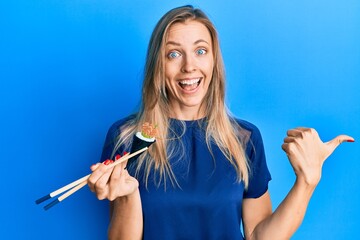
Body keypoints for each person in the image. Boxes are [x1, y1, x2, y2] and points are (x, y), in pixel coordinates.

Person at [87, 5, 354, 240]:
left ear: (214, 61)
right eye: (174, 54)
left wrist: (307, 182)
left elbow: (259, 235)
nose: (189, 66)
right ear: (158, 64)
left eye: (201, 50)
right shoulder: (127, 138)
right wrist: (128, 195)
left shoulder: (244, 138)